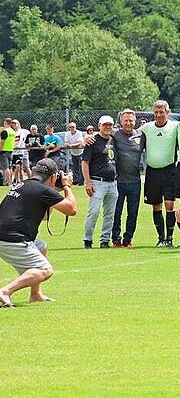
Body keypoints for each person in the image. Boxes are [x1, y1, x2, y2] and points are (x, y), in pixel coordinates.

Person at [0, 159, 77, 308]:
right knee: (45, 270)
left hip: (5, 236)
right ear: (53, 176)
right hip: (12, 239)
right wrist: (67, 185)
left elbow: (44, 217)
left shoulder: (22, 185)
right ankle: (5, 291)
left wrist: (53, 192)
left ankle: (35, 294)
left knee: (41, 246)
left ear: (35, 172)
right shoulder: (42, 190)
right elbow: (72, 209)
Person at [141, 100, 179, 248]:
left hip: (169, 171)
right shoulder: (146, 128)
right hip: (152, 172)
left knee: (170, 205)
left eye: (161, 112)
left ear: (167, 113)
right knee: (156, 206)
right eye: (156, 112)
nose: (158, 115)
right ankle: (161, 238)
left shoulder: (175, 126)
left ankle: (169, 238)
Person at [81, 116, 118, 249]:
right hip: (97, 182)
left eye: (110, 124)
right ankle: (88, 239)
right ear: (99, 125)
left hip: (112, 183)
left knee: (109, 214)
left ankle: (104, 240)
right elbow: (85, 162)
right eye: (105, 125)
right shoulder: (93, 141)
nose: (108, 127)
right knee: (94, 212)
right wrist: (87, 182)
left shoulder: (114, 140)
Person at [111, 109, 143, 248]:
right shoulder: (114, 135)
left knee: (133, 212)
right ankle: (116, 239)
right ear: (121, 122)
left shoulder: (142, 135)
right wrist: (88, 137)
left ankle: (128, 239)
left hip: (135, 181)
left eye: (131, 120)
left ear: (135, 121)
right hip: (118, 181)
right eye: (126, 120)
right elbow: (99, 136)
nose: (128, 123)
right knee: (116, 212)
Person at [1, 118, 15, 184]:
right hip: (10, 151)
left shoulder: (5, 131)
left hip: (4, 151)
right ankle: (6, 182)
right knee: (9, 167)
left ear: (5, 123)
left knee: (5, 168)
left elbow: (2, 142)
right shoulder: (13, 131)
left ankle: (9, 183)